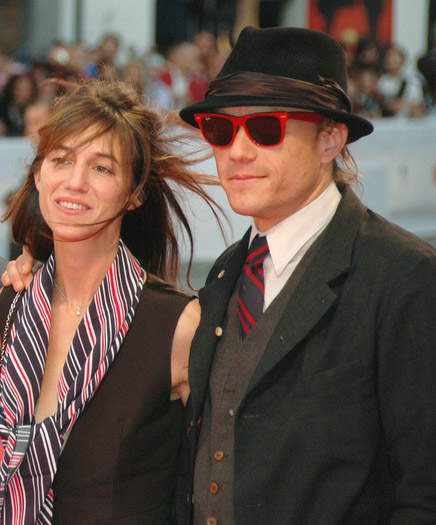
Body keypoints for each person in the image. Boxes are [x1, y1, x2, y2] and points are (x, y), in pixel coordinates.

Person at [173, 26, 436, 523]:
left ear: (330, 139)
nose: (238, 151)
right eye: (221, 129)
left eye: (266, 128)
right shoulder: (227, 273)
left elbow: (424, 491)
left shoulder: (404, 276)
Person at [0, 78, 220, 523]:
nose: (75, 182)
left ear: (135, 193)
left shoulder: (176, 326)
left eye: (102, 168)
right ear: (39, 174)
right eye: (61, 160)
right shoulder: (9, 305)